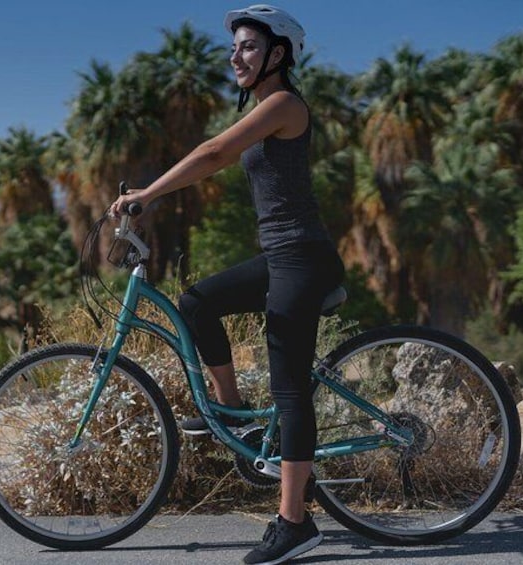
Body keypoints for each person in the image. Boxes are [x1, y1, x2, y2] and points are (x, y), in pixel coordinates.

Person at [110, 4, 345, 564]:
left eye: (247, 47)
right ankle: (235, 417)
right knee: (196, 302)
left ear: (278, 54)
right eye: (234, 47)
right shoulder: (266, 106)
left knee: (290, 390)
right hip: (280, 257)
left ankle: (295, 522)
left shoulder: (284, 104)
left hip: (304, 260)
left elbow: (213, 153)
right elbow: (215, 155)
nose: (235, 56)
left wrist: (148, 193)